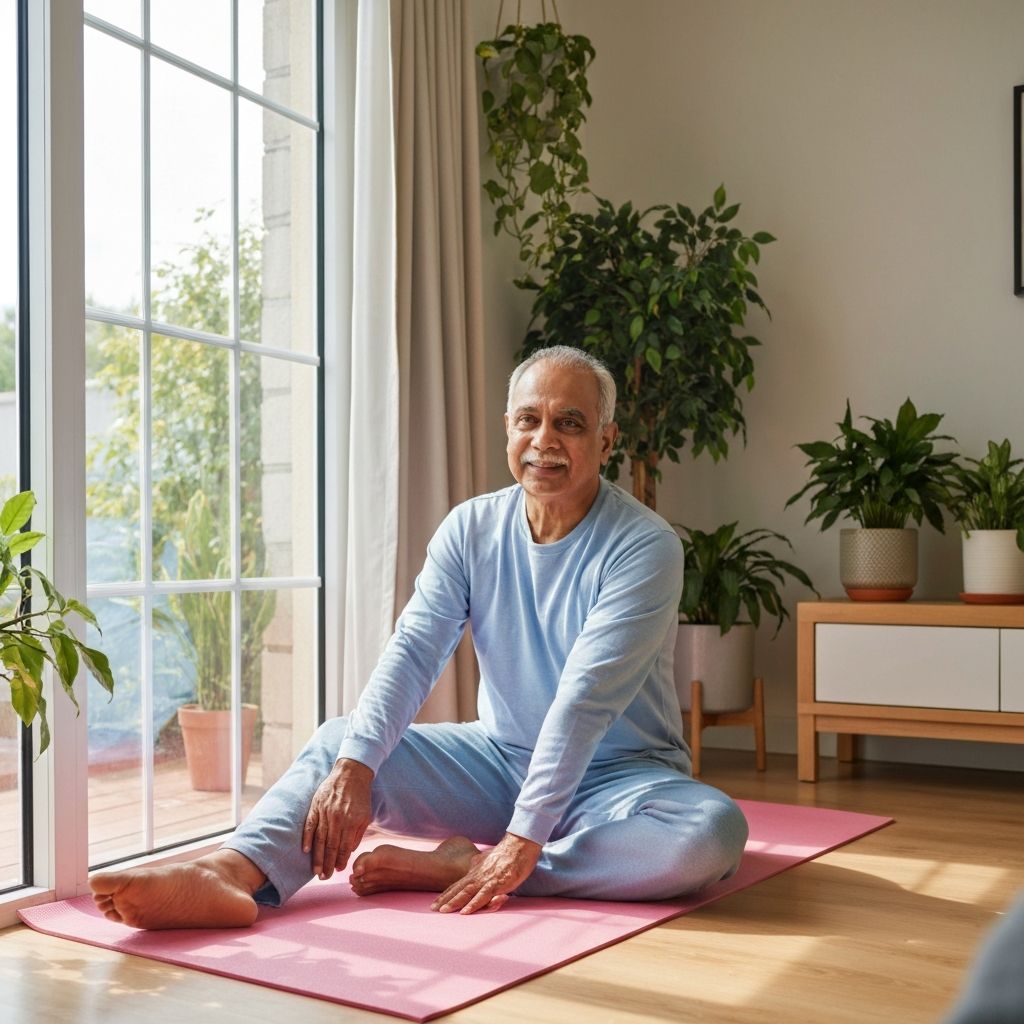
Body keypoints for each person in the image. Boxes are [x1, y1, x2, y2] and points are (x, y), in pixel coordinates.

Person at [90, 345, 749, 929]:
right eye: (529, 419)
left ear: (606, 443)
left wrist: (522, 841)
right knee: (339, 742)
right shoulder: (470, 529)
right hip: (499, 762)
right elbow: (413, 652)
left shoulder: (645, 546)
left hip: (622, 780)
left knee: (708, 837)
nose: (544, 439)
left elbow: (584, 701)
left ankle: (468, 867)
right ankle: (229, 873)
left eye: (569, 423)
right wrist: (355, 767)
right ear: (508, 429)